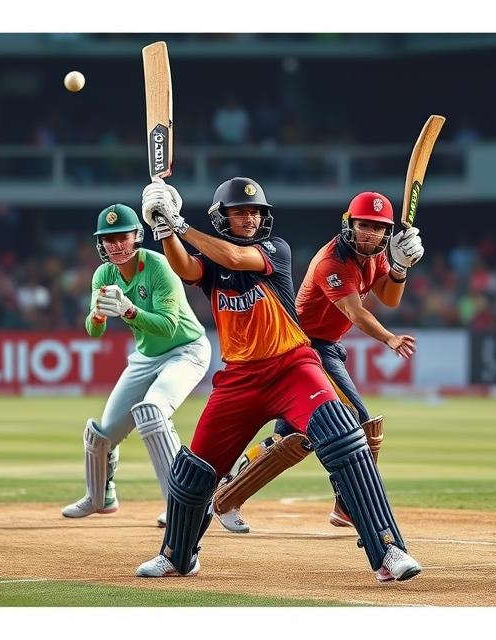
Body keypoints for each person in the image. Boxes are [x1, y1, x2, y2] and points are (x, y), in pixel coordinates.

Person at [134, 178, 421, 583]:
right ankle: (178, 557)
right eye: (240, 212)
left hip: (292, 366)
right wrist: (163, 229)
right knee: (194, 469)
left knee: (344, 438)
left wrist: (179, 224)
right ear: (223, 217)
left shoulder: (275, 250)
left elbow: (235, 257)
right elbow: (186, 267)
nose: (250, 218)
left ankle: (388, 550)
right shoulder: (213, 259)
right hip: (239, 379)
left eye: (255, 212)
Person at [211, 192, 425, 533]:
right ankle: (350, 505)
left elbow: (390, 297)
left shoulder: (376, 257)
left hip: (326, 347)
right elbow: (355, 313)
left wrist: (398, 268)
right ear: (349, 224)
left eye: (378, 228)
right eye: (364, 225)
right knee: (360, 422)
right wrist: (389, 338)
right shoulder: (332, 262)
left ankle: (225, 497)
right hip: (306, 348)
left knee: (294, 440)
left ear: (387, 234)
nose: (370, 234)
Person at [61, 203, 211, 527]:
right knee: (102, 435)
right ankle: (100, 496)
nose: (115, 245)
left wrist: (128, 311)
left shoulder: (159, 267)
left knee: (152, 412)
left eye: (121, 237)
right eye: (108, 239)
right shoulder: (103, 274)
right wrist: (97, 315)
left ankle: (180, 504)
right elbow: (94, 331)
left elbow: (169, 326)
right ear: (100, 243)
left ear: (136, 236)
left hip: (186, 351)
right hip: (146, 357)